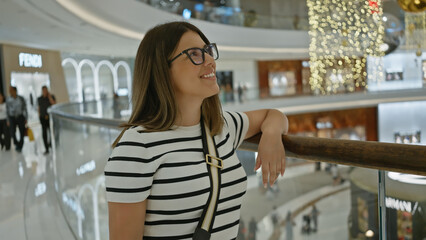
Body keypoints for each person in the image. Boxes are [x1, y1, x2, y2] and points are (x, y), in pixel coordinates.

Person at [104, 21, 288, 240]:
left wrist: (272, 136)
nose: (210, 61)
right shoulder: (136, 147)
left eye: (208, 51)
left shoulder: (221, 127)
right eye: (195, 54)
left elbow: (274, 115)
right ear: (162, 69)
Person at [6, 86, 27, 152]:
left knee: (22, 131)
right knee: (12, 132)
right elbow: (7, 110)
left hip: (20, 116)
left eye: (11, 90)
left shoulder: (21, 98)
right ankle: (16, 143)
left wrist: (26, 118)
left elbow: (25, 109)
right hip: (12, 118)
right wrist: (8, 120)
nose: (10, 91)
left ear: (15, 91)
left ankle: (20, 146)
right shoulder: (8, 99)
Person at [37, 86, 56, 154]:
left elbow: (54, 104)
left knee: (51, 132)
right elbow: (39, 107)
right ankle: (46, 148)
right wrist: (39, 115)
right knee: (44, 133)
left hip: (49, 117)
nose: (45, 92)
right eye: (43, 90)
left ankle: (51, 144)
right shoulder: (39, 99)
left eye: (46, 90)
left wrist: (49, 97)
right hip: (43, 118)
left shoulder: (51, 97)